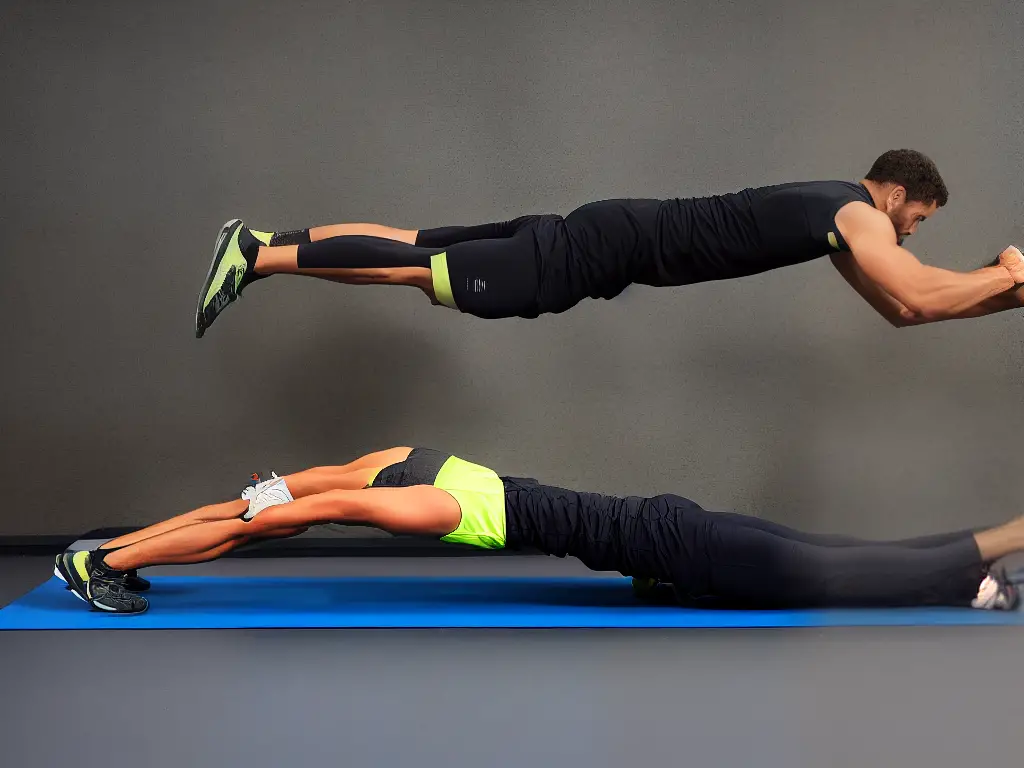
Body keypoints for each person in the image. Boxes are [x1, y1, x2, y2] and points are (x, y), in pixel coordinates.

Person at [55, 446, 1021, 615]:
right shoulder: (407, 461)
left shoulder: (419, 503)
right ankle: (976, 581)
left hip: (682, 553)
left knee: (843, 576)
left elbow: (293, 509)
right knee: (838, 561)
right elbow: (263, 504)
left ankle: (996, 546)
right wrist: (131, 545)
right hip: (670, 533)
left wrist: (262, 510)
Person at [195, 149, 1024, 337]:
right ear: (901, 192)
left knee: (419, 243)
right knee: (420, 268)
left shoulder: (837, 217)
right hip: (594, 253)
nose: (914, 231)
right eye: (922, 217)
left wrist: (1002, 289)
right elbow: (916, 288)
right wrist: (1007, 278)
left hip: (606, 228)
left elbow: (902, 312)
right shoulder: (861, 217)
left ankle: (266, 240)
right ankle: (259, 259)